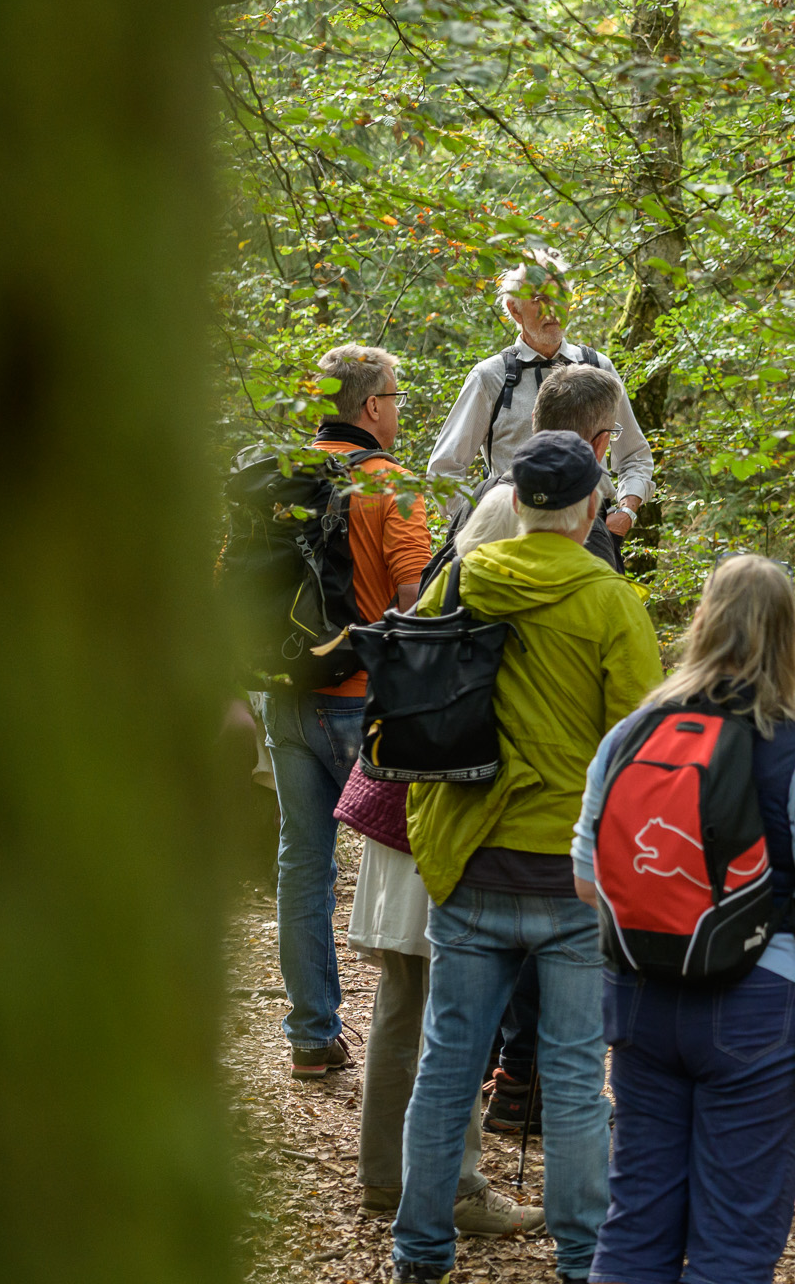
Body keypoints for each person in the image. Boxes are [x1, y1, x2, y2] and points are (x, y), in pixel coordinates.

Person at [390, 431, 663, 1284]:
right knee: (578, 1078)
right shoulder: (610, 600)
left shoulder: (462, 578)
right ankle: (584, 1259)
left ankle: (420, 1252)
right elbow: (640, 744)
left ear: (519, 506)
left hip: (469, 859)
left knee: (447, 1069)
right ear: (587, 508)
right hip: (570, 874)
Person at [574, 555, 795, 1284]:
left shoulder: (632, 737)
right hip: (759, 1010)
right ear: (791, 639)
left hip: (639, 997)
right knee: (734, 1242)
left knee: (635, 1222)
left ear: (701, 624)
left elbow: (589, 878)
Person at [263, 343, 433, 1080]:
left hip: (284, 693)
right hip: (363, 702)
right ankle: (417, 1044)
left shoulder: (277, 477)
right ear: (371, 407)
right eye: (395, 398)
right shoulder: (391, 486)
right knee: (408, 860)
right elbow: (414, 601)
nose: (399, 410)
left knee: (303, 863)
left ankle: (311, 1035)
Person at [341, 785, 541, 1236]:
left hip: (401, 816)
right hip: (444, 821)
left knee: (403, 1002)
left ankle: (388, 1178)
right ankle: (455, 1188)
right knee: (455, 1014)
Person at [428, 253, 653, 569]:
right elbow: (444, 469)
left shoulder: (598, 367)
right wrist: (486, 522)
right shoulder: (490, 377)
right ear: (514, 309)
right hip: (511, 540)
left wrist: (625, 513)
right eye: (538, 299)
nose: (552, 310)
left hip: (592, 535)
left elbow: (634, 455)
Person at [432, 362, 638, 581]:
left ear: (534, 420)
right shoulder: (585, 535)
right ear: (600, 444)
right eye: (612, 435)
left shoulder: (480, 498)